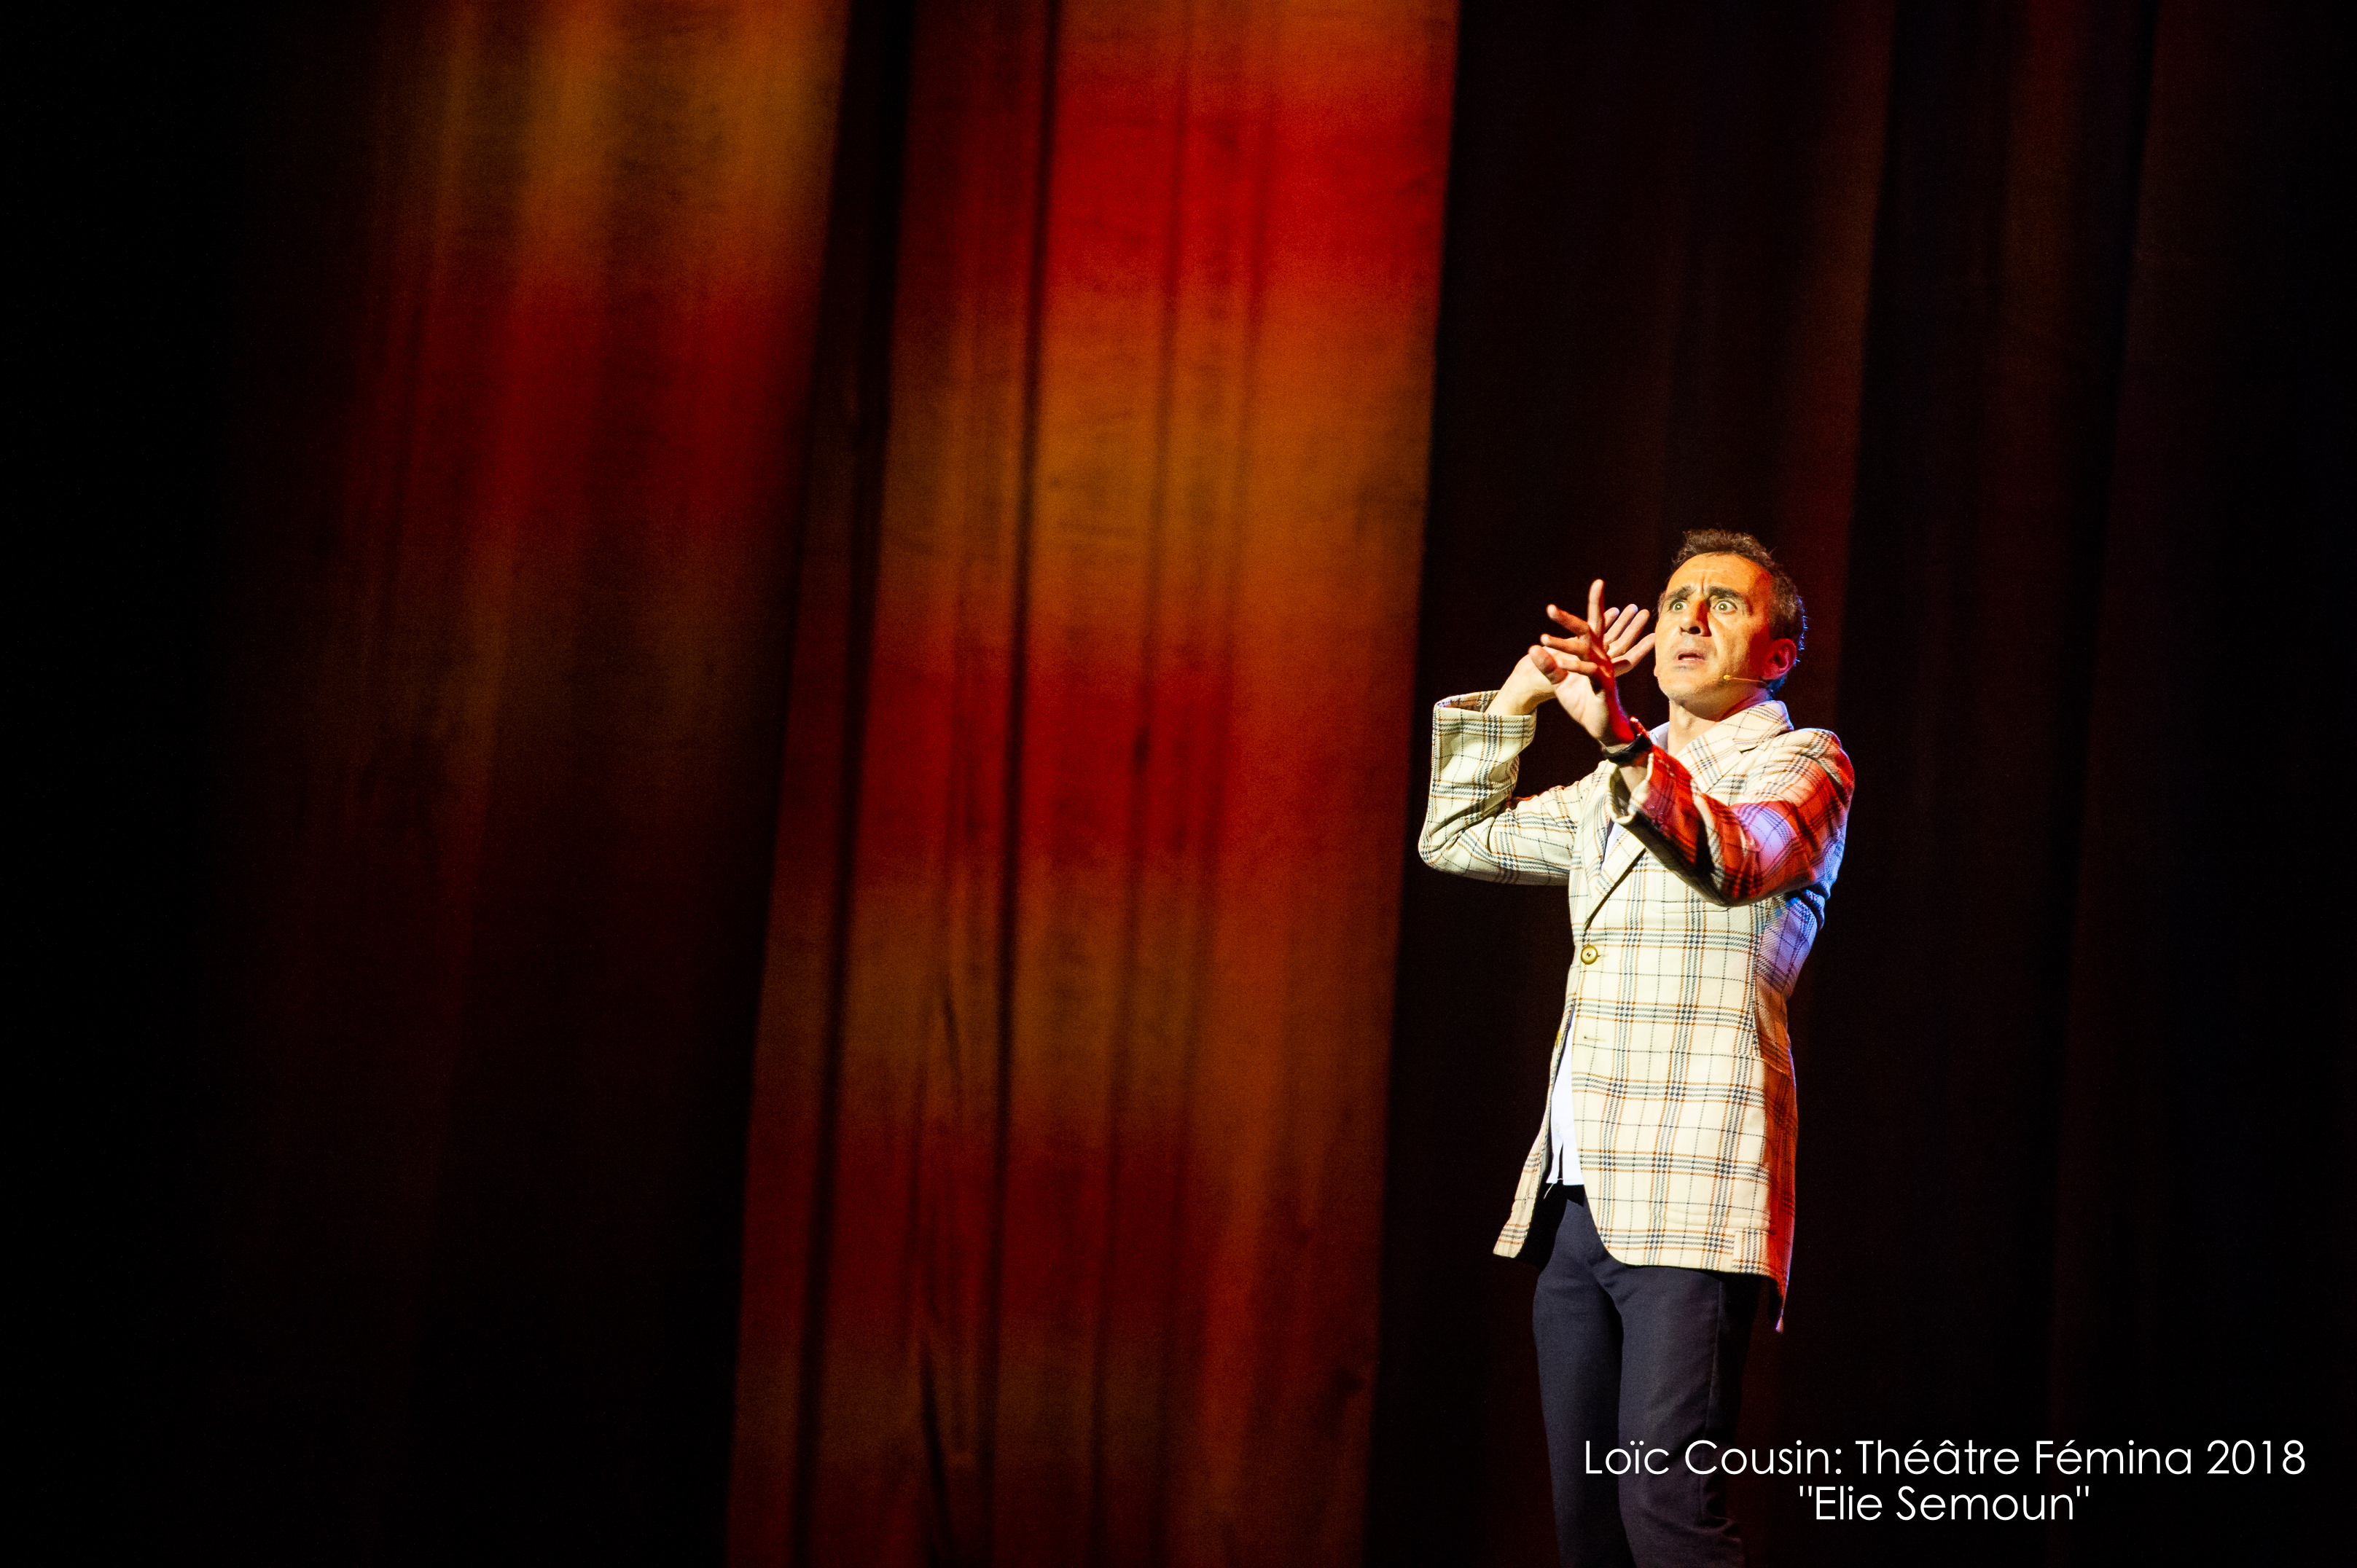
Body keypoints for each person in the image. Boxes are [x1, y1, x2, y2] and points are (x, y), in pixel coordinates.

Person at [1418, 530, 1853, 1567]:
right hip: (1579, 1200)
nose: (1690, 618)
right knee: (1587, 1523)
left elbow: (1737, 855)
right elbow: (1456, 837)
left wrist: (1620, 742)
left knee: (1667, 1518)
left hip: (1690, 1195)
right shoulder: (1615, 789)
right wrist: (1526, 692)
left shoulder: (1802, 760)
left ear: (1780, 652)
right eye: (1674, 602)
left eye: (1725, 603)